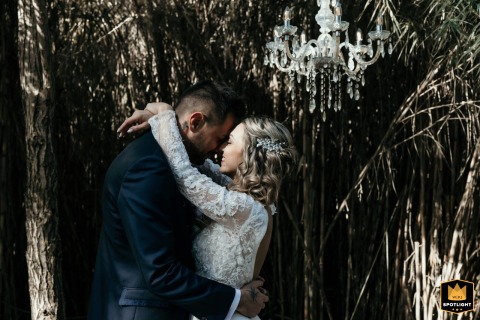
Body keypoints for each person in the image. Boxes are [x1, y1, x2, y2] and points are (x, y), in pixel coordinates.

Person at [88, 80, 269, 320]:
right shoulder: (149, 166)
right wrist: (235, 300)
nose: (218, 149)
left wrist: (161, 113)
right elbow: (160, 272)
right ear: (196, 122)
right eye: (221, 137)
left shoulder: (170, 161)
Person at [118, 100, 298, 320]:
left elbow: (186, 176)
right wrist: (159, 119)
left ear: (250, 154)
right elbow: (199, 165)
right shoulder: (243, 199)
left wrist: (165, 115)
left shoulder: (246, 208)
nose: (220, 148)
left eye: (229, 141)